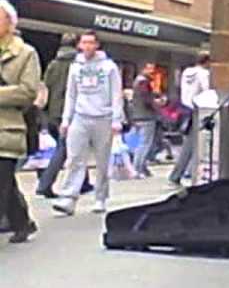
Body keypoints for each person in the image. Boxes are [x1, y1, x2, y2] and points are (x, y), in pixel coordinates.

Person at [52, 30, 123, 215]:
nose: (88, 46)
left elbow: (116, 94)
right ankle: (68, 198)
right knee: (74, 158)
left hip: (104, 118)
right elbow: (71, 94)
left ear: (97, 45)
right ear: (79, 45)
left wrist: (117, 119)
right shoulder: (75, 67)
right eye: (84, 42)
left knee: (102, 161)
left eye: (91, 42)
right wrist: (66, 119)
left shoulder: (109, 67)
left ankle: (100, 198)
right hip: (80, 116)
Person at [0, 0, 40, 243]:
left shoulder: (26, 54)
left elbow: (28, 91)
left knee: (0, 183)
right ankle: (22, 222)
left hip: (7, 129)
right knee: (6, 183)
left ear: (10, 23)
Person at [36, 33, 94, 198]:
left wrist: (46, 113)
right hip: (73, 113)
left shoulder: (53, 65)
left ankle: (83, 182)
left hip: (54, 114)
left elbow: (46, 89)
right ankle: (44, 184)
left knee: (75, 148)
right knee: (64, 149)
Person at [168, 53, 211, 186]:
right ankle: (177, 174)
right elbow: (207, 91)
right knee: (192, 144)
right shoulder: (204, 74)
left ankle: (186, 172)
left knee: (188, 143)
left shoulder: (186, 72)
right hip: (197, 110)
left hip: (184, 109)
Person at [131, 63, 165, 178]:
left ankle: (142, 168)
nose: (152, 72)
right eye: (149, 69)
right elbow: (147, 100)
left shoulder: (138, 81)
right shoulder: (143, 82)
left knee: (142, 143)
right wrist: (157, 104)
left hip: (138, 116)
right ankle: (137, 169)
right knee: (144, 144)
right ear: (143, 69)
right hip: (146, 116)